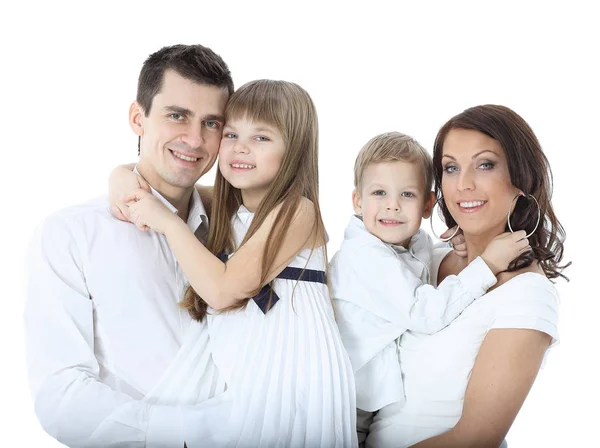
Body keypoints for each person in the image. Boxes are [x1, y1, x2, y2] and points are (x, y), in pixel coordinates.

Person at [112, 79, 357, 447]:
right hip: (251, 379)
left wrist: (166, 222)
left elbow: (223, 291)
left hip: (293, 383)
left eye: (261, 138)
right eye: (231, 134)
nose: (241, 148)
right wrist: (119, 177)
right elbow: (161, 187)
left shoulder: (297, 211)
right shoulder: (229, 207)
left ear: (294, 150)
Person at [25, 44, 234, 447]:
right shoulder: (71, 234)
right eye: (178, 116)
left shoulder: (239, 232)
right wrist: (193, 432)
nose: (194, 139)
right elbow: (60, 393)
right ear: (138, 118)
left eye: (212, 123)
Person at [364, 105, 568, 447]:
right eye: (451, 168)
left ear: (522, 179)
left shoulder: (527, 294)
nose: (463, 184)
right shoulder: (425, 262)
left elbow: (475, 438)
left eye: (485, 165)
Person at [330, 132, 529, 444]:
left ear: (427, 205)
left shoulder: (411, 241)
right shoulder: (363, 256)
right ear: (358, 201)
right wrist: (486, 264)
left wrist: (454, 244)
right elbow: (426, 313)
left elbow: (419, 258)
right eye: (379, 193)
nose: (392, 207)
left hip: (374, 400)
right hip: (348, 405)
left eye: (406, 195)